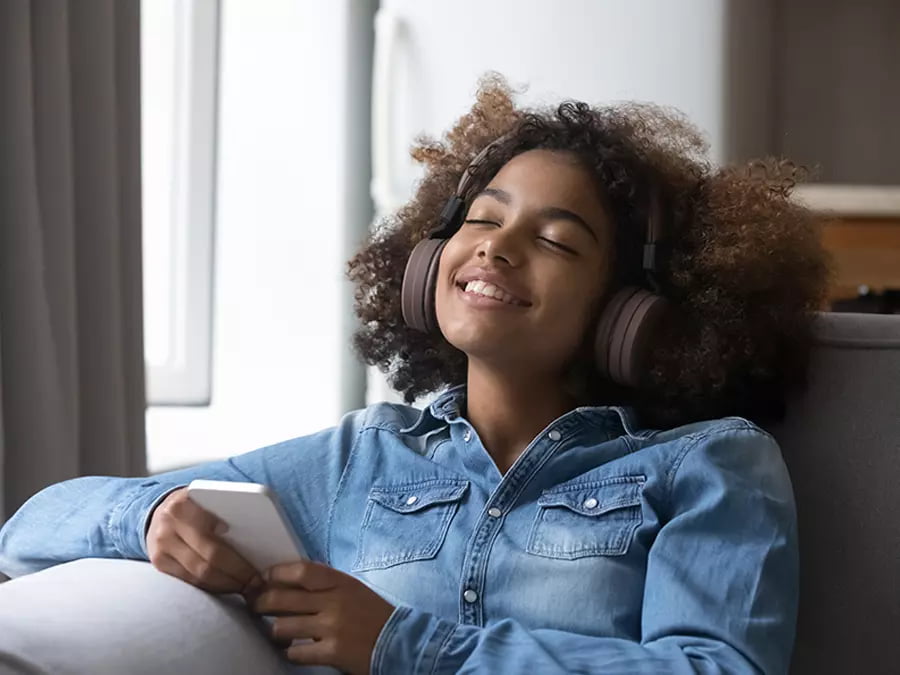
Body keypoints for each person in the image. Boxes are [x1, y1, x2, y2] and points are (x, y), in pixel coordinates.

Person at [0, 75, 830, 674]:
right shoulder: (362, 461)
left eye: (557, 239)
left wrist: (404, 646)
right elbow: (31, 526)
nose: (496, 249)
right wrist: (149, 516)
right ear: (430, 259)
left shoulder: (710, 463)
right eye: (481, 220)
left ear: (630, 308)